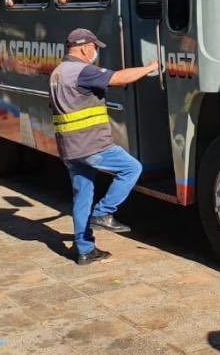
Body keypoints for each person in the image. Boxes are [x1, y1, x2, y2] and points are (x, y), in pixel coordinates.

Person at [49, 28, 160, 265]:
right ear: (84, 47)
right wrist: (150, 68)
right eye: (94, 47)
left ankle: (84, 250)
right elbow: (118, 78)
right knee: (131, 169)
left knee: (82, 195)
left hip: (69, 148)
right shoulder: (82, 71)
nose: (95, 51)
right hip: (91, 144)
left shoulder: (58, 72)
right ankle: (103, 213)